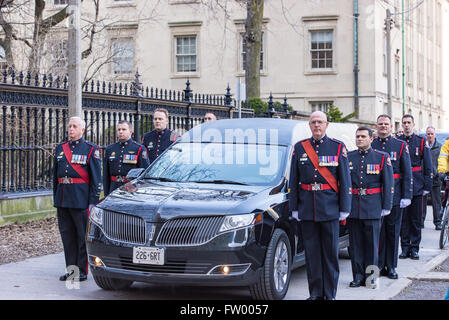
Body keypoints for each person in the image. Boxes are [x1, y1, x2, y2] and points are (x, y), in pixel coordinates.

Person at [289, 111, 352, 300]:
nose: (317, 125)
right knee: (312, 255)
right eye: (313, 122)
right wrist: (294, 207)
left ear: (327, 125)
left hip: (330, 210)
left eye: (320, 122)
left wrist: (344, 208)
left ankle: (329, 294)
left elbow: (345, 181)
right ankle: (315, 293)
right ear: (309, 125)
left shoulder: (337, 147)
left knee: (330, 256)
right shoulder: (300, 148)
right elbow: (294, 180)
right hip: (308, 209)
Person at [53, 116, 102, 282]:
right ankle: (71, 270)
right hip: (63, 198)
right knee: (67, 237)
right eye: (69, 126)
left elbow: (96, 179)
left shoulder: (90, 149)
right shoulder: (61, 148)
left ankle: (82, 271)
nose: (71, 129)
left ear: (82, 129)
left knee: (81, 236)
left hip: (81, 200)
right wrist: (56, 198)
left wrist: (92, 202)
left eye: (74, 126)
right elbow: (55, 178)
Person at [347, 126, 394, 288]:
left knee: (372, 245)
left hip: (373, 207)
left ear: (371, 139)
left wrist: (386, 205)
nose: (359, 139)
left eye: (363, 136)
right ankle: (358, 276)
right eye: (357, 136)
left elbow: (388, 184)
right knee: (356, 245)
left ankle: (371, 277)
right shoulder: (349, 157)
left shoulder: (381, 157)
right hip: (354, 207)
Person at [372, 114, 412, 279]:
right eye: (380, 124)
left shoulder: (400, 145)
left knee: (393, 231)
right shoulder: (371, 144)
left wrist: (406, 195)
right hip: (375, 196)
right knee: (378, 233)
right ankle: (379, 265)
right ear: (377, 126)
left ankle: (391, 266)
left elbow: (407, 171)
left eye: (386, 124)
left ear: (391, 127)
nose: (383, 126)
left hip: (394, 196)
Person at [397, 114, 432, 260]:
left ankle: (415, 248)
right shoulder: (397, 141)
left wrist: (427, 185)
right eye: (404, 122)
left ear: (413, 124)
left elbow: (428, 165)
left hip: (417, 184)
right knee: (404, 219)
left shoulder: (421, 141)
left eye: (408, 122)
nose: (406, 125)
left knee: (416, 219)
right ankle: (405, 248)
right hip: (401, 186)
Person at [103, 120, 150, 197]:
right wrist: (106, 193)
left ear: (131, 131)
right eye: (119, 129)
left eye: (124, 129)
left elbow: (144, 173)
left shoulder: (139, 149)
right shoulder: (110, 149)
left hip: (131, 189)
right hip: (113, 187)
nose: (120, 132)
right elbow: (106, 175)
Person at [425, 126, 443, 230]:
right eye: (428, 134)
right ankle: (420, 222)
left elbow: (441, 162)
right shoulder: (423, 146)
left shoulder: (439, 147)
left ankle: (438, 222)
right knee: (422, 203)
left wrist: (437, 173)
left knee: (436, 203)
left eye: (432, 134)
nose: (430, 136)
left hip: (436, 179)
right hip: (424, 179)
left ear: (434, 135)